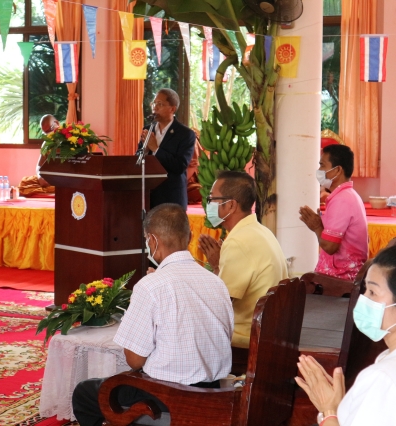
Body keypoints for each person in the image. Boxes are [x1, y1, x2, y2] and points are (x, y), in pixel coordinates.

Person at [71, 203, 234, 426]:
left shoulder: (151, 286)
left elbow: (135, 360)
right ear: (189, 236)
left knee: (85, 393)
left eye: (147, 240)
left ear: (153, 240)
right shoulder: (217, 283)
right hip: (213, 392)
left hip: (166, 395)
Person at [295, 245, 396, 425]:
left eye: (373, 292)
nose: (363, 300)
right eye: (365, 290)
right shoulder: (386, 360)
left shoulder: (383, 377)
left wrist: (329, 410)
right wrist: (342, 407)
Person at [198, 171, 288, 348]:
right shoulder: (260, 231)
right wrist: (218, 265)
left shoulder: (238, 242)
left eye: (212, 199)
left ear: (231, 205)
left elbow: (219, 304)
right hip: (271, 330)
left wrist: (215, 267)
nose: (209, 205)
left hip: (247, 336)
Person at [299, 145, 368, 281]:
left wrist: (317, 227)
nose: (319, 171)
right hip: (339, 276)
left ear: (337, 170)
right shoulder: (347, 195)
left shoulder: (342, 200)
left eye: (322, 165)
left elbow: (330, 247)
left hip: (340, 279)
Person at [135, 88, 196, 209]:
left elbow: (179, 166)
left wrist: (156, 149)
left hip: (172, 197)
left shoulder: (185, 134)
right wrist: (145, 151)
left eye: (160, 104)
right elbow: (137, 161)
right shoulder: (148, 129)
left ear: (172, 109)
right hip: (148, 194)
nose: (155, 108)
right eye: (154, 103)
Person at [18, 114, 58, 196]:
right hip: (48, 178)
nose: (48, 134)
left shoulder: (69, 139)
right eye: (45, 132)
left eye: (49, 130)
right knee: (24, 182)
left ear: (57, 123)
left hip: (62, 178)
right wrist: (40, 177)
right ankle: (48, 189)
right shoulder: (46, 143)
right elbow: (39, 165)